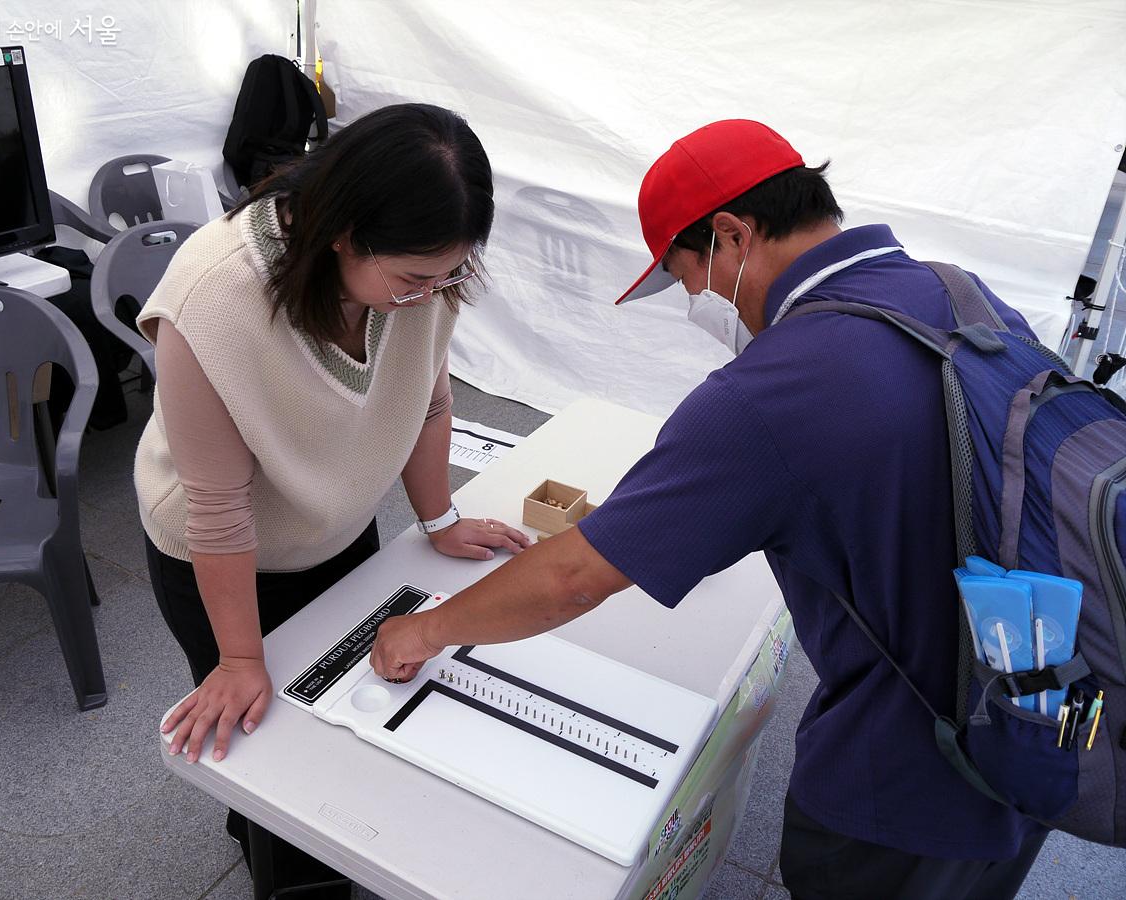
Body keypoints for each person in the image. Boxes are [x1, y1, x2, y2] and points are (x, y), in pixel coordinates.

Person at [371, 119, 1050, 899]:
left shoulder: (769, 391)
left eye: (687, 276)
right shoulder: (956, 288)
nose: (694, 299)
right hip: (1042, 702)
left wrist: (420, 630)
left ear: (732, 235)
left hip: (911, 774)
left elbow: (573, 578)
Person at [134, 103, 530, 898]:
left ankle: (307, 847)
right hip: (221, 554)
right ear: (344, 232)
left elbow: (427, 398)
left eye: (449, 273)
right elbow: (218, 509)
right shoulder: (214, 298)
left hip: (335, 525)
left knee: (342, 721)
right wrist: (240, 657)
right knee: (265, 742)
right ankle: (278, 860)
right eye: (416, 278)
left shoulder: (424, 274)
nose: (435, 293)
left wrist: (439, 518)